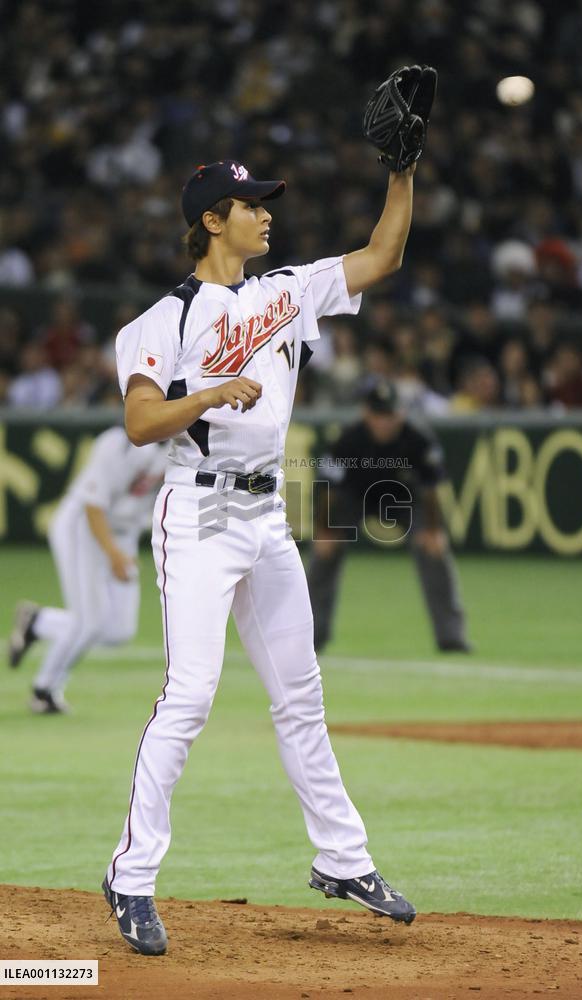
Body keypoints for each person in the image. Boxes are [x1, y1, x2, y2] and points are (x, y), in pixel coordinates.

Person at [102, 154, 420, 957]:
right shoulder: (161, 320)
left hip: (268, 508)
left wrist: (400, 173)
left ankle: (343, 859)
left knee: (300, 693)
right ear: (212, 220)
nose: (265, 214)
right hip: (198, 508)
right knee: (191, 695)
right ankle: (130, 878)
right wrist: (206, 394)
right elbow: (141, 424)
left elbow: (382, 256)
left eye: (264, 202)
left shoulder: (284, 291)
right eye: (249, 203)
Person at [8, 427, 168, 713]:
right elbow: (93, 506)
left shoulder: (179, 448)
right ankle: (44, 690)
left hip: (123, 533)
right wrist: (113, 554)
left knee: (119, 630)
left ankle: (39, 622)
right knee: (90, 621)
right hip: (82, 525)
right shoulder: (118, 443)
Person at [307, 378, 471, 655]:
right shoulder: (348, 439)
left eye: (391, 415)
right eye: (379, 415)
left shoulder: (418, 439)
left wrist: (432, 530)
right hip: (354, 497)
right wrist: (324, 530)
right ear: (366, 414)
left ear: (402, 413)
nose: (386, 422)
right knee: (324, 553)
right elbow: (329, 489)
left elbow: (432, 489)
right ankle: (311, 636)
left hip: (403, 497)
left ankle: (451, 636)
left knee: (434, 551)